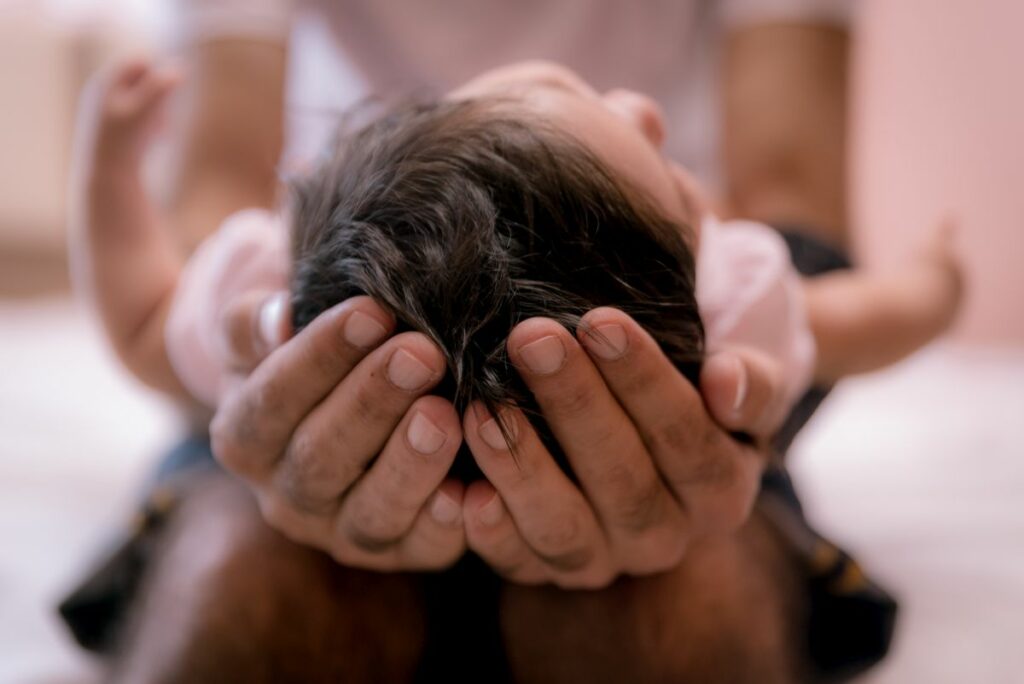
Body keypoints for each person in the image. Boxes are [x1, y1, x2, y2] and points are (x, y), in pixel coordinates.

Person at [63, 57, 961, 682]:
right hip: (343, 490)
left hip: (564, 494)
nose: (645, 111)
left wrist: (105, 172)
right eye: (627, 123)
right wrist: (936, 289)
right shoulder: (725, 295)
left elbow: (142, 317)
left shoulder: (278, 291)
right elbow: (862, 321)